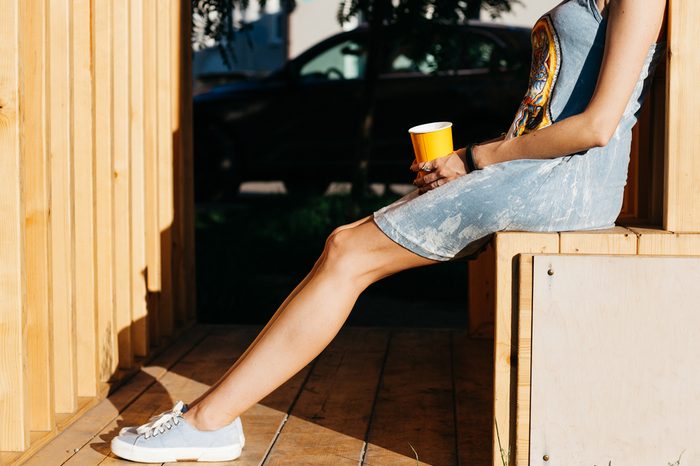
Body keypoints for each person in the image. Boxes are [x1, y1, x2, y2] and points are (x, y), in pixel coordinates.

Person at [110, 0, 667, 462]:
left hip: (563, 185)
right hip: (534, 173)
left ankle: (209, 424)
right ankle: (212, 421)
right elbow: (551, 108)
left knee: (348, 251)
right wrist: (469, 162)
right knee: (346, 245)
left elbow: (597, 126)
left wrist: (474, 159)